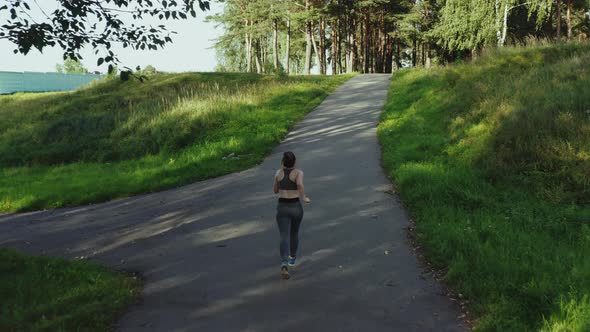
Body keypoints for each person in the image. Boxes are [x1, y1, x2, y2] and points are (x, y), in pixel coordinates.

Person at [273, 151, 311, 280]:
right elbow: (299, 184)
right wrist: (304, 197)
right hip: (295, 206)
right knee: (294, 233)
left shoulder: (278, 173)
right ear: (294, 162)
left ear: (283, 162)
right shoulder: (298, 173)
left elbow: (275, 191)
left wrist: (279, 182)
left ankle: (284, 264)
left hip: (282, 207)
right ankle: (292, 258)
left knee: (283, 236)